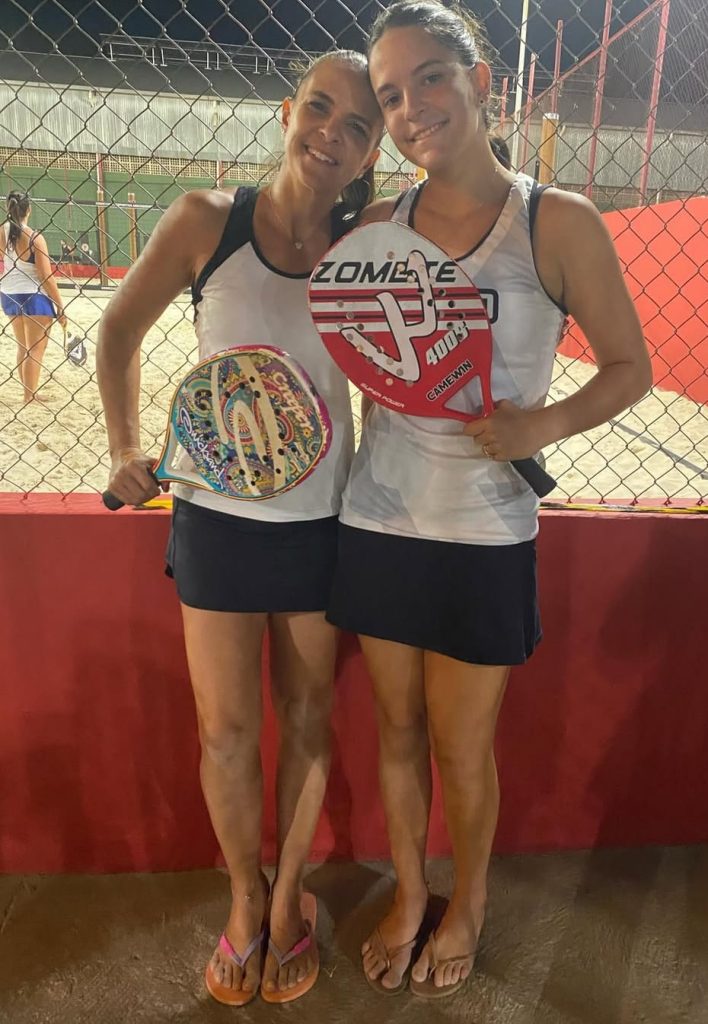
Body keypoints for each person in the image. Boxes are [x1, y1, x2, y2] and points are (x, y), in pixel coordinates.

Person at [326, 0, 652, 999]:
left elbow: (629, 369)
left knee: (462, 747)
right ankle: (411, 895)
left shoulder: (556, 221)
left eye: (430, 77)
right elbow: (367, 363)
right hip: (379, 519)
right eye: (391, 95)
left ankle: (468, 903)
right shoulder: (377, 229)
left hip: (485, 530)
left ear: (479, 80)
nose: (412, 107)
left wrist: (537, 425)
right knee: (396, 733)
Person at [96, 51, 381, 1006]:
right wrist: (124, 445)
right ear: (286, 111)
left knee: (305, 720)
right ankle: (245, 898)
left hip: (321, 525)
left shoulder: (371, 244)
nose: (331, 133)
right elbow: (118, 332)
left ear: (372, 152)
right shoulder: (206, 222)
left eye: (357, 125)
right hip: (215, 522)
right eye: (319, 109)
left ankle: (291, 897)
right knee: (225, 730)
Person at [1, 192, 66, 403]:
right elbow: (45, 275)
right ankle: (30, 395)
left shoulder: (2, 232)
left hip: (9, 292)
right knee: (36, 348)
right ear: (28, 209)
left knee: (23, 346)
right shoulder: (35, 238)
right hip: (33, 295)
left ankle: (28, 392)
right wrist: (60, 306)